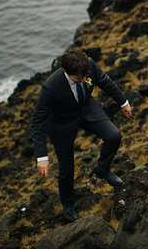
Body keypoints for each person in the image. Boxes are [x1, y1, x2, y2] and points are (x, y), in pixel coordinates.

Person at [31, 47, 132, 222]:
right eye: (79, 79)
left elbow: (105, 82)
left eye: (86, 76)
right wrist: (42, 156)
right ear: (66, 72)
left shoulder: (89, 65)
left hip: (87, 108)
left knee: (114, 136)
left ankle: (102, 170)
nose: (84, 80)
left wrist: (123, 102)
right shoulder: (50, 87)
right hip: (62, 123)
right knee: (67, 168)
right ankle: (68, 203)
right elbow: (37, 121)